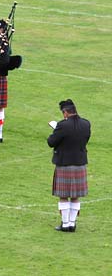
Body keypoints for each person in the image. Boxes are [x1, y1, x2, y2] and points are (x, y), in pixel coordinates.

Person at [47, 99, 91, 232]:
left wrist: (56, 129)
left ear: (66, 113)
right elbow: (84, 140)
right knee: (75, 195)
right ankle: (72, 223)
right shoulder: (86, 124)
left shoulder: (62, 125)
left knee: (63, 195)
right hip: (80, 163)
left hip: (64, 163)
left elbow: (51, 142)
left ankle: (65, 224)